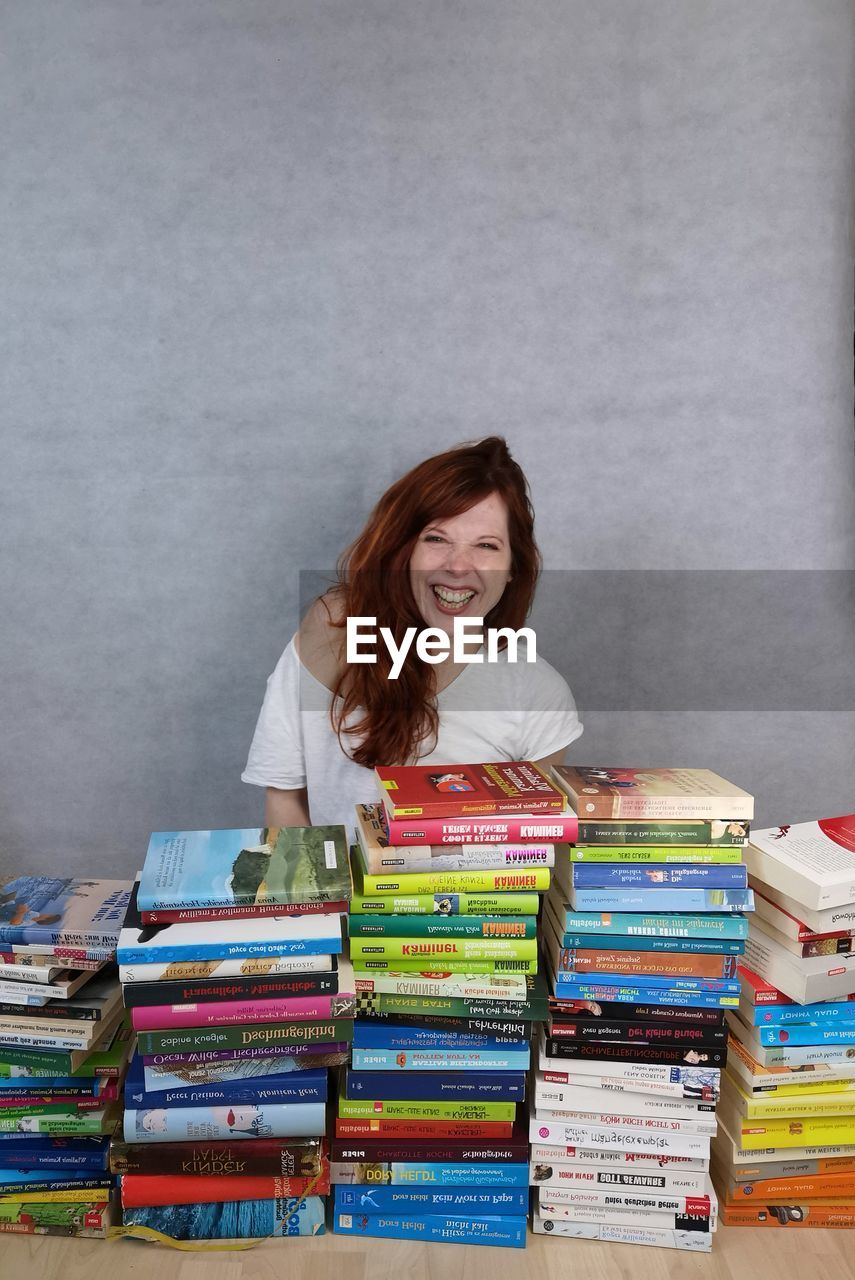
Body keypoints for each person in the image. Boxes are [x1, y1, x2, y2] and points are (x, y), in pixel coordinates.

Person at [242, 436, 583, 832]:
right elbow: (285, 798)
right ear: (402, 552)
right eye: (436, 538)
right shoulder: (331, 636)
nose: (458, 566)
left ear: (512, 569)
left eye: (486, 546)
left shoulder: (539, 694)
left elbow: (534, 846)